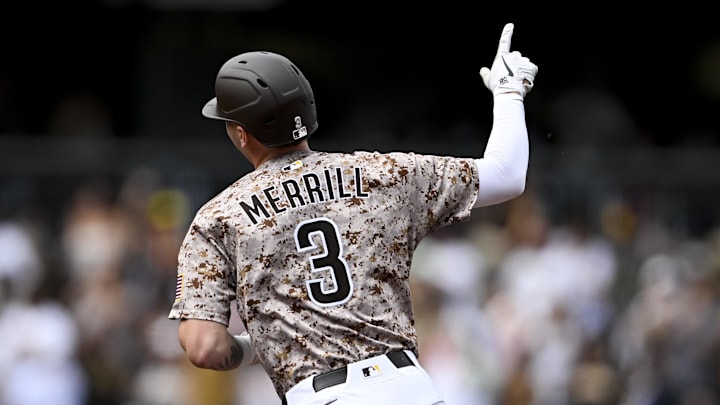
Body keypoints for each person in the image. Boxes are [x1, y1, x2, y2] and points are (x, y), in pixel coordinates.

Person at [168, 22, 538, 405]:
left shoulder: (219, 218)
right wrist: (509, 93)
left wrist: (257, 345)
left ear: (242, 134)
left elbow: (204, 347)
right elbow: (506, 174)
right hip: (412, 388)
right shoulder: (384, 175)